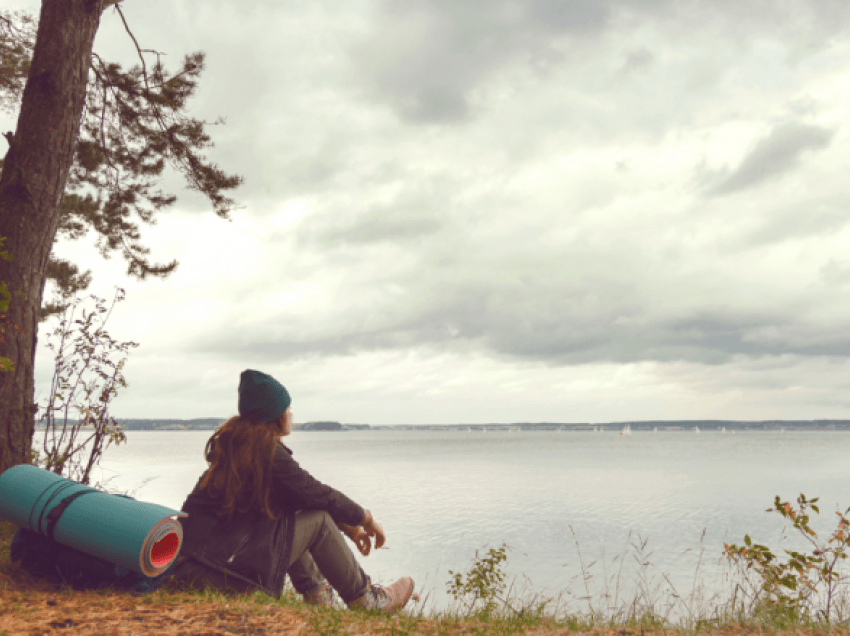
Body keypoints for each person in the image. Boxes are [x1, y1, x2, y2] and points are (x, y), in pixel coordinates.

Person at [166, 369, 415, 613]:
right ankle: (367, 601)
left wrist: (351, 528)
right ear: (274, 415)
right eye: (287, 408)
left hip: (193, 571)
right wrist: (366, 519)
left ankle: (320, 599)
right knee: (319, 522)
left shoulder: (238, 449)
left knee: (287, 519)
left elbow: (297, 498)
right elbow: (317, 494)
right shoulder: (267, 453)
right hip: (221, 577)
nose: (291, 413)